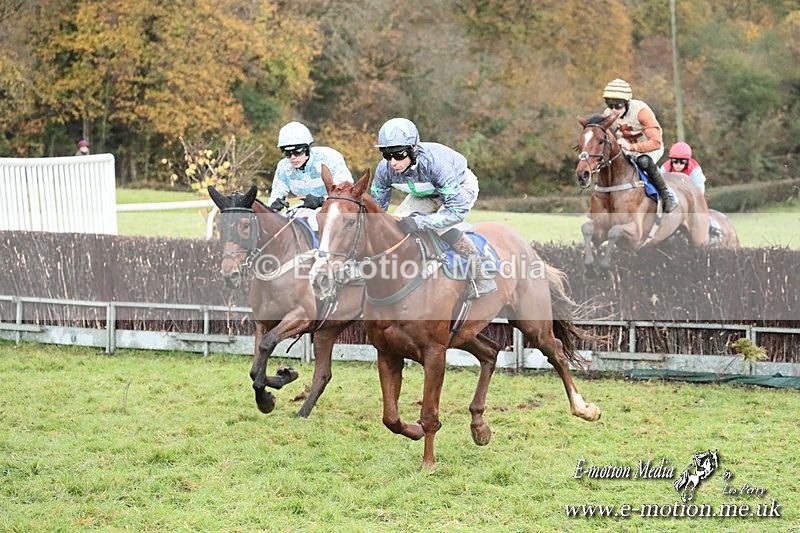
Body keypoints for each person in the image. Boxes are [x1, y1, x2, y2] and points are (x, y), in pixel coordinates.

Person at [370, 117, 496, 299]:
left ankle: (481, 273)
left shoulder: (437, 166)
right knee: (396, 225)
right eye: (387, 155)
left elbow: (456, 211)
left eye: (399, 155)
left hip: (459, 188)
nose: (393, 162)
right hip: (424, 194)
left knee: (441, 227)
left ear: (413, 149)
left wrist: (421, 222)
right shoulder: (384, 170)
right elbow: (377, 213)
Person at [602, 79, 677, 212]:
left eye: (618, 106)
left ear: (627, 102)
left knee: (643, 161)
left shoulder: (641, 112)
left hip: (649, 148)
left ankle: (666, 194)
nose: (613, 110)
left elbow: (656, 142)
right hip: (625, 148)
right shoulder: (607, 114)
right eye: (610, 105)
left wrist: (632, 147)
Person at [267, 121, 353, 231]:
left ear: (307, 149)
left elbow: (347, 193)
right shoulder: (283, 167)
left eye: (297, 152)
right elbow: (276, 195)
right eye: (287, 153)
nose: (292, 157)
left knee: (314, 221)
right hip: (303, 209)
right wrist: (274, 206)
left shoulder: (329, 158)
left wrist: (322, 200)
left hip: (333, 210)